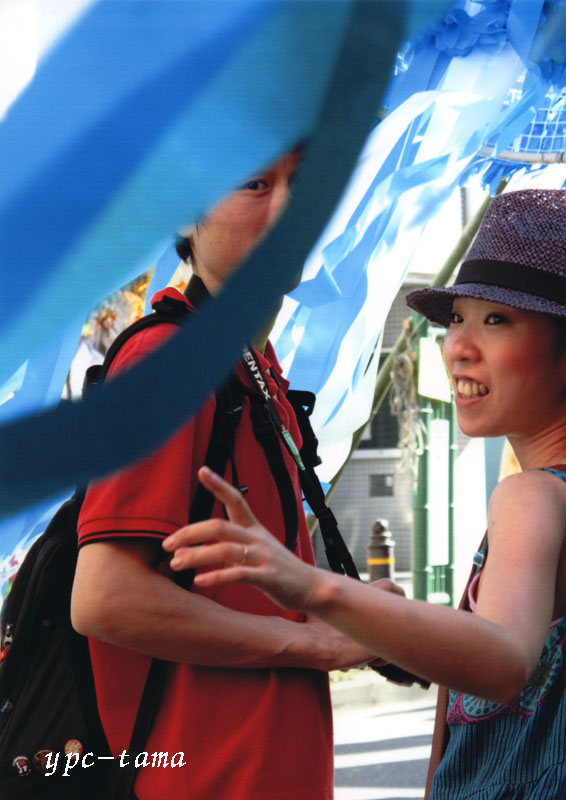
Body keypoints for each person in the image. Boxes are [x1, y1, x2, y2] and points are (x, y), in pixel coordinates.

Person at [163, 188, 566, 799]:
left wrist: (312, 586)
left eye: (497, 320)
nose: (458, 346)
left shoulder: (530, 497)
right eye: (457, 318)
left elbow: (505, 661)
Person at [71, 148, 387, 800]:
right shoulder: (171, 360)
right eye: (254, 183)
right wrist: (310, 644)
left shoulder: (255, 368)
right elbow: (104, 599)